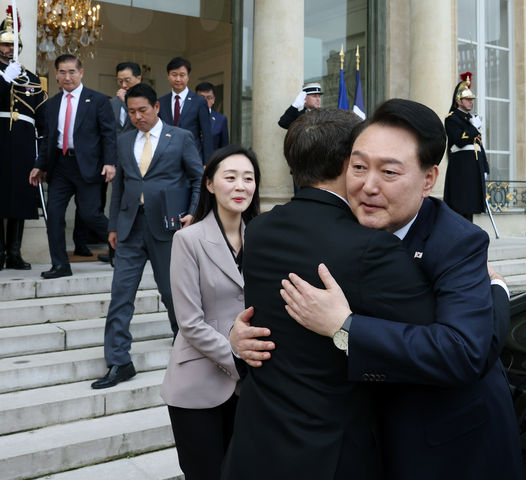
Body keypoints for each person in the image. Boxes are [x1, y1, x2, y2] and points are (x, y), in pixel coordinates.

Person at [256, 99, 521, 479]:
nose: (368, 186)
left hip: (448, 446)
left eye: (390, 172)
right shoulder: (341, 228)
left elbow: (465, 350)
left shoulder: (457, 242)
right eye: (359, 167)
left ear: (428, 180)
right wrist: (240, 337)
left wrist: (345, 326)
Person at [221, 109, 436, 480]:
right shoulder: (370, 246)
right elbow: (432, 338)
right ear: (346, 163)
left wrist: (234, 337)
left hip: (256, 442)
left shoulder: (259, 230)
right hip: (327, 453)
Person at [91, 83, 203, 389]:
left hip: (168, 228)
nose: (137, 116)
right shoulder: (124, 139)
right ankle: (118, 361)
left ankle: (186, 346)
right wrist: (113, 226)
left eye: (142, 110)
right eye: (131, 111)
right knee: (120, 295)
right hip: (129, 229)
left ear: (156, 107)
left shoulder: (180, 138)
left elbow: (198, 178)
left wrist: (193, 213)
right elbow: (120, 188)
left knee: (171, 293)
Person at [160, 145, 260, 480]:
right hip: (197, 384)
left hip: (250, 390)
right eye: (230, 177)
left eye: (248, 178)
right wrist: (239, 358)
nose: (240, 186)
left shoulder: (261, 239)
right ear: (210, 184)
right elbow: (189, 322)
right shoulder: (188, 239)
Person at [30, 54, 116, 279]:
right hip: (60, 166)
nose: (67, 77)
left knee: (90, 215)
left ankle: (123, 247)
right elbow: (48, 139)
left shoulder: (97, 100)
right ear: (56, 75)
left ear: (81, 73)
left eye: (72, 72)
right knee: (54, 216)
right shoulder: (51, 104)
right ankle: (60, 265)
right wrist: (40, 166)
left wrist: (110, 163)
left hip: (88, 166)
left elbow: (109, 134)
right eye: (62, 72)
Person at [74, 61, 142, 263]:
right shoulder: (110, 103)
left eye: (128, 81)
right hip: (108, 161)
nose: (123, 85)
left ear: (138, 79)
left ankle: (124, 250)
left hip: (133, 161)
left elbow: (140, 128)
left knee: (126, 204)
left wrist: (129, 101)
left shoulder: (147, 103)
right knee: (98, 204)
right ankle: (107, 249)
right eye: (120, 81)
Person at [0, 8, 47, 270]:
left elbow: (40, 113)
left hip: (22, 143)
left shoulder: (30, 77)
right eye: (4, 44)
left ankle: (14, 253)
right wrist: (4, 79)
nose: (9, 49)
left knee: (19, 198)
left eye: (13, 44)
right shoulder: (4, 74)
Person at [444, 73, 489, 221]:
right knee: (461, 205)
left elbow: (478, 145)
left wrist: (485, 167)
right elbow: (460, 140)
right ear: (459, 101)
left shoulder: (471, 119)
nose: (471, 102)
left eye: (471, 100)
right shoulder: (452, 118)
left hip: (474, 165)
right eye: (468, 99)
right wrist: (474, 128)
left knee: (471, 206)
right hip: (461, 167)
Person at [159, 57, 212, 165]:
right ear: (168, 76)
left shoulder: (199, 102)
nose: (178, 79)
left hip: (192, 158)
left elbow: (207, 134)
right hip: (167, 160)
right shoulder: (161, 102)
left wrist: (207, 163)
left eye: (182, 75)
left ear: (188, 77)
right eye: (174, 75)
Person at [195, 82, 228, 152]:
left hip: (212, 161)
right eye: (202, 97)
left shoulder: (221, 119)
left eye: (209, 98)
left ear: (213, 100)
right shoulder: (187, 116)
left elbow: (224, 147)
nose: (205, 101)